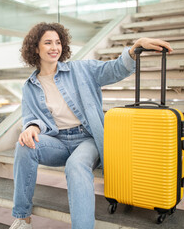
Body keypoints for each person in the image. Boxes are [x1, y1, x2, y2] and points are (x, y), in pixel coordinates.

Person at [9, 22, 172, 229]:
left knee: (76, 165)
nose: (54, 48)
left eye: (58, 42)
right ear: (35, 48)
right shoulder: (30, 86)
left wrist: (133, 49)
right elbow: (31, 116)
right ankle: (23, 218)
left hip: (87, 139)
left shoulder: (81, 69)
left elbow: (114, 69)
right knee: (24, 146)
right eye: (48, 43)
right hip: (57, 141)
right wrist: (31, 127)